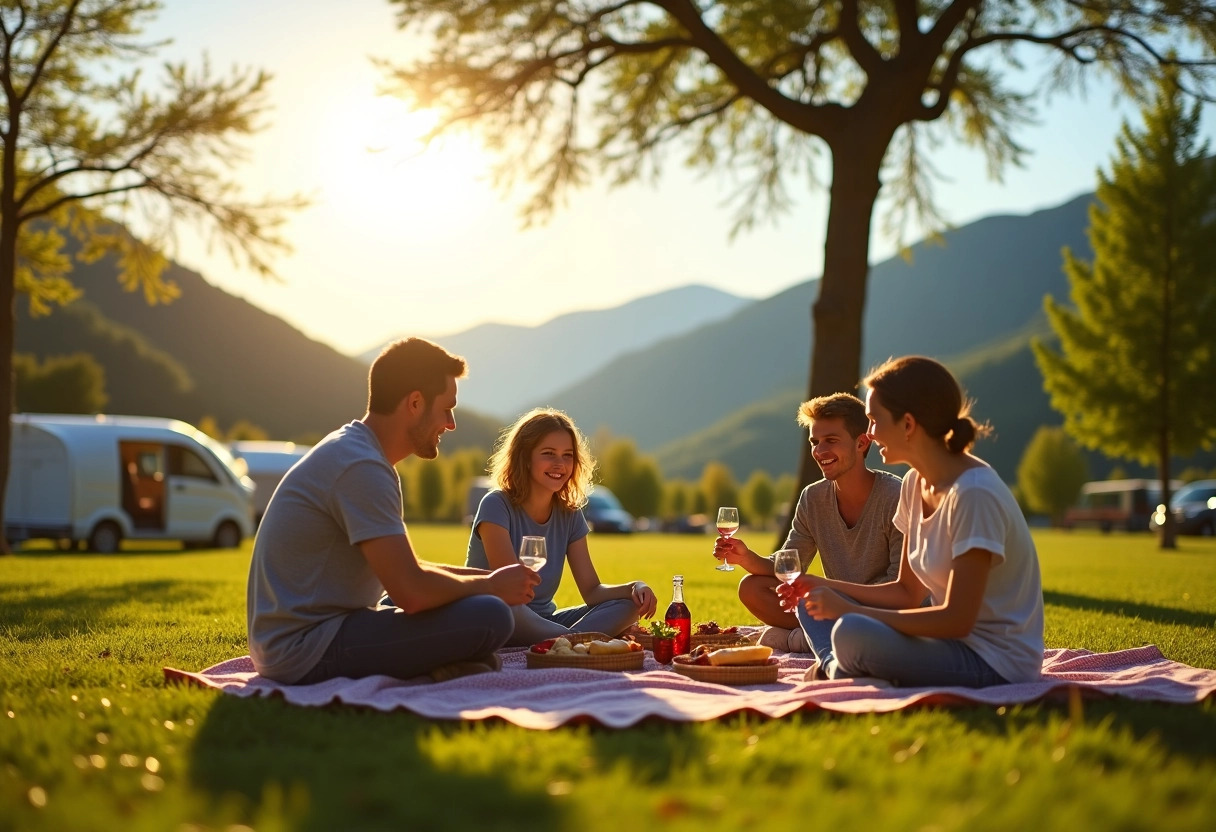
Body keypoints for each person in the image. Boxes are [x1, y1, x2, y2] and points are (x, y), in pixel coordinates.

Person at [246, 338, 540, 684]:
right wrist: (491, 586)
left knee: (476, 610)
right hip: (304, 648)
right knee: (490, 615)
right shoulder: (361, 466)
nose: (451, 424)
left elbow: (406, 571)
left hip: (317, 632)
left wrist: (487, 581)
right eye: (447, 409)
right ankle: (437, 665)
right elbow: (411, 591)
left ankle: (440, 665)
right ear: (415, 403)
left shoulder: (359, 452)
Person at [778, 356, 1044, 687]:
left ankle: (835, 668)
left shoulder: (974, 494)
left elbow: (957, 621)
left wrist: (848, 610)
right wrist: (823, 586)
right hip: (945, 645)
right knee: (813, 601)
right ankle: (841, 665)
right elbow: (906, 593)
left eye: (874, 421)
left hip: (994, 661)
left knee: (851, 630)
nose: (870, 434)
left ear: (907, 424)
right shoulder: (914, 485)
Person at [714, 393, 903, 653]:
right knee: (752, 587)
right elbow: (790, 565)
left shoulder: (895, 496)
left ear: (861, 443)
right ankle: (822, 635)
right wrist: (746, 558)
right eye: (815, 442)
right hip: (832, 603)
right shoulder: (812, 497)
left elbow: (901, 586)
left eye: (831, 441)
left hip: (883, 611)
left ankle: (803, 639)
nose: (819, 451)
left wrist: (833, 595)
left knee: (877, 619)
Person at [466, 407, 657, 646]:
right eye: (549, 453)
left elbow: (592, 590)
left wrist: (633, 587)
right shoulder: (496, 504)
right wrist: (568, 635)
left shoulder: (570, 513)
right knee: (508, 607)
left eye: (567, 455)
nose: (560, 464)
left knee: (629, 606)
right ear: (524, 457)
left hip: (544, 621)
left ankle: (561, 641)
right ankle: (572, 641)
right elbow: (509, 590)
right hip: (497, 615)